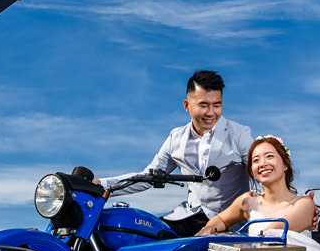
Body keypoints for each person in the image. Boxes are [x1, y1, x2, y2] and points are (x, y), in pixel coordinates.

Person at [99, 70, 254, 237]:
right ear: (187, 105)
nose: (211, 113)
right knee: (143, 234)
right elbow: (147, 177)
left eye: (217, 105)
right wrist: (100, 184)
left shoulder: (240, 134)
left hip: (228, 223)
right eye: (203, 105)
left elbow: (261, 175)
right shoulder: (176, 138)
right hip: (189, 217)